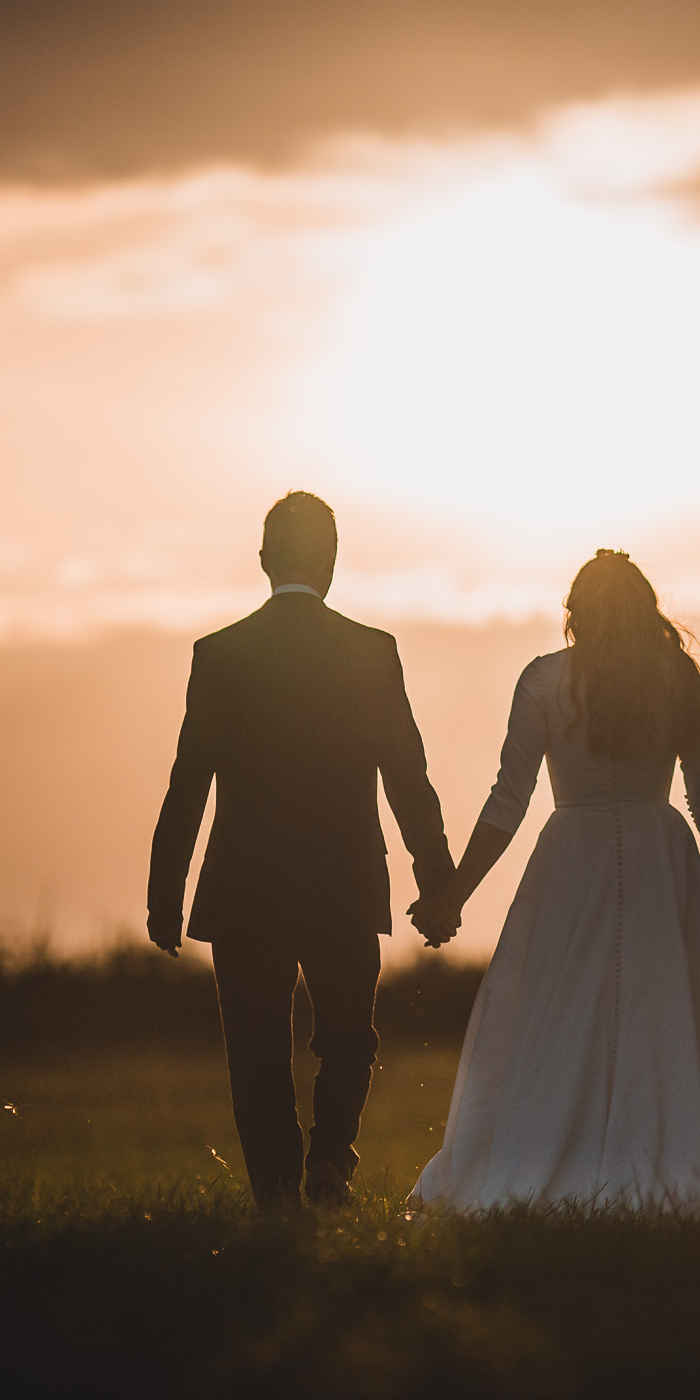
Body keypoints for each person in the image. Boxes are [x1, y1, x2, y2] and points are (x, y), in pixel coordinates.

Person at [409, 550, 700, 1209]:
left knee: (559, 1013)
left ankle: (550, 1153)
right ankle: (662, 1150)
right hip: (662, 861)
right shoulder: (676, 678)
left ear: (574, 612)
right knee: (657, 1014)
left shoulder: (544, 680)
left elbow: (507, 800)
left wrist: (451, 895)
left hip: (569, 859)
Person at [146, 492, 455, 1208]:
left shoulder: (218, 654)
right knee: (350, 1035)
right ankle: (331, 1162)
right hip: (343, 881)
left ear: (262, 560)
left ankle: (279, 1193)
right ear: (333, 559)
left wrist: (167, 894)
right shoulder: (371, 652)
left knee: (255, 1054)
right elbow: (409, 776)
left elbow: (187, 781)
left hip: (242, 887)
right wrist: (436, 879)